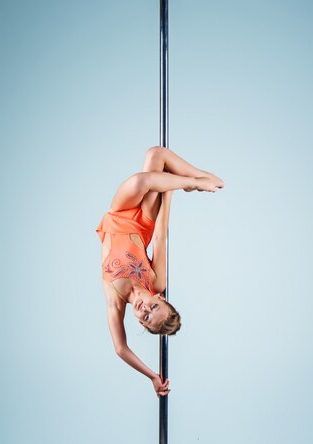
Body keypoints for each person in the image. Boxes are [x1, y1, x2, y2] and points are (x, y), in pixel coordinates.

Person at [95, 146, 224, 397]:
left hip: (119, 214)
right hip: (142, 222)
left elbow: (120, 348)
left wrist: (153, 376)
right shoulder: (157, 282)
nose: (144, 310)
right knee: (156, 154)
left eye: (144, 318)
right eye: (153, 308)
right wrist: (170, 190)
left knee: (142, 180)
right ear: (160, 299)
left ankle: (194, 182)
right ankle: (196, 180)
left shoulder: (115, 299)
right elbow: (160, 237)